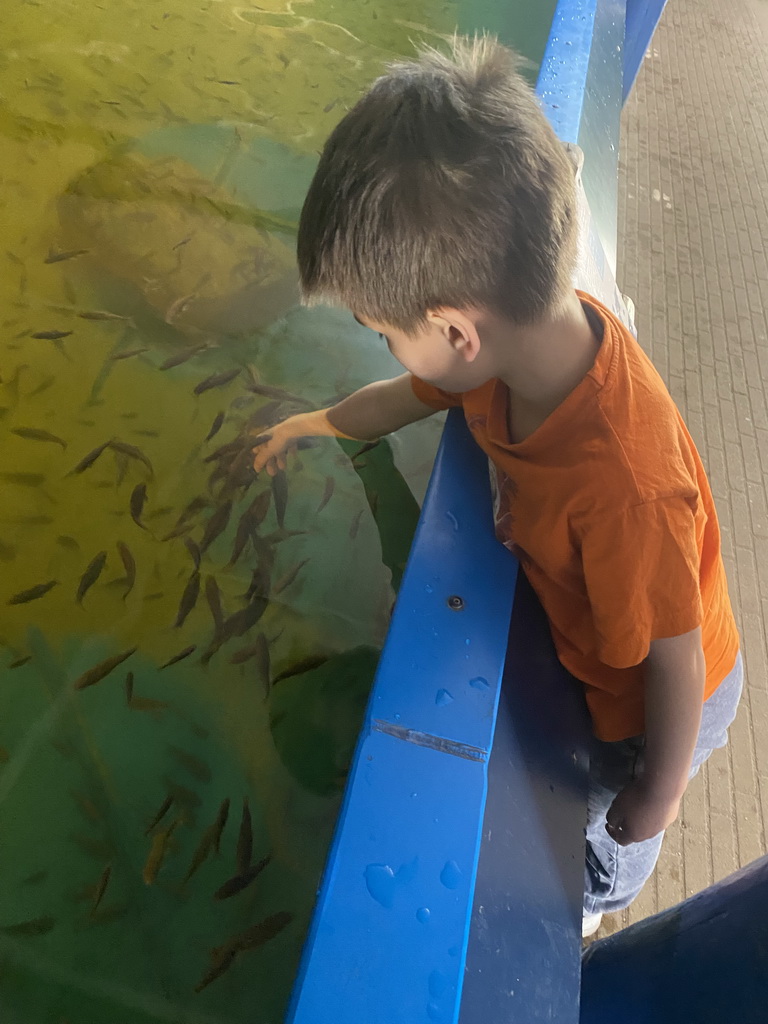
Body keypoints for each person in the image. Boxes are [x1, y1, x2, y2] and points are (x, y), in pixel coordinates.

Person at [251, 35, 742, 937]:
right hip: (625, 633)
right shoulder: (499, 357)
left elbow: (674, 658)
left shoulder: (622, 482)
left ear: (454, 329)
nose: (390, 351)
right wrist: (312, 425)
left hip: (661, 700)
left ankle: (608, 885)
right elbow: (399, 399)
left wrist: (655, 797)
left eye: (385, 331)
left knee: (609, 814)